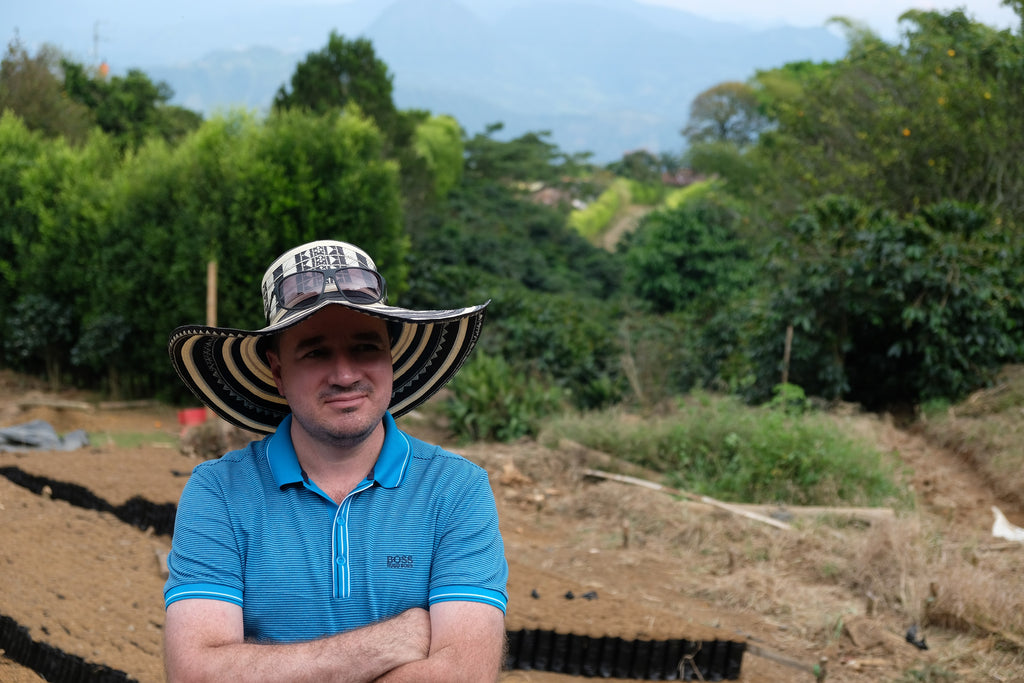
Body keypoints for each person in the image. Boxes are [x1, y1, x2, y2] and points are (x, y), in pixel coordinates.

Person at [164, 239, 508, 682]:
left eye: (365, 347)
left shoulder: (456, 490)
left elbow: (464, 675)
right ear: (278, 371)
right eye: (316, 352)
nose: (345, 375)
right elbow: (195, 674)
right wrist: (389, 641)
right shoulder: (219, 492)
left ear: (390, 357)